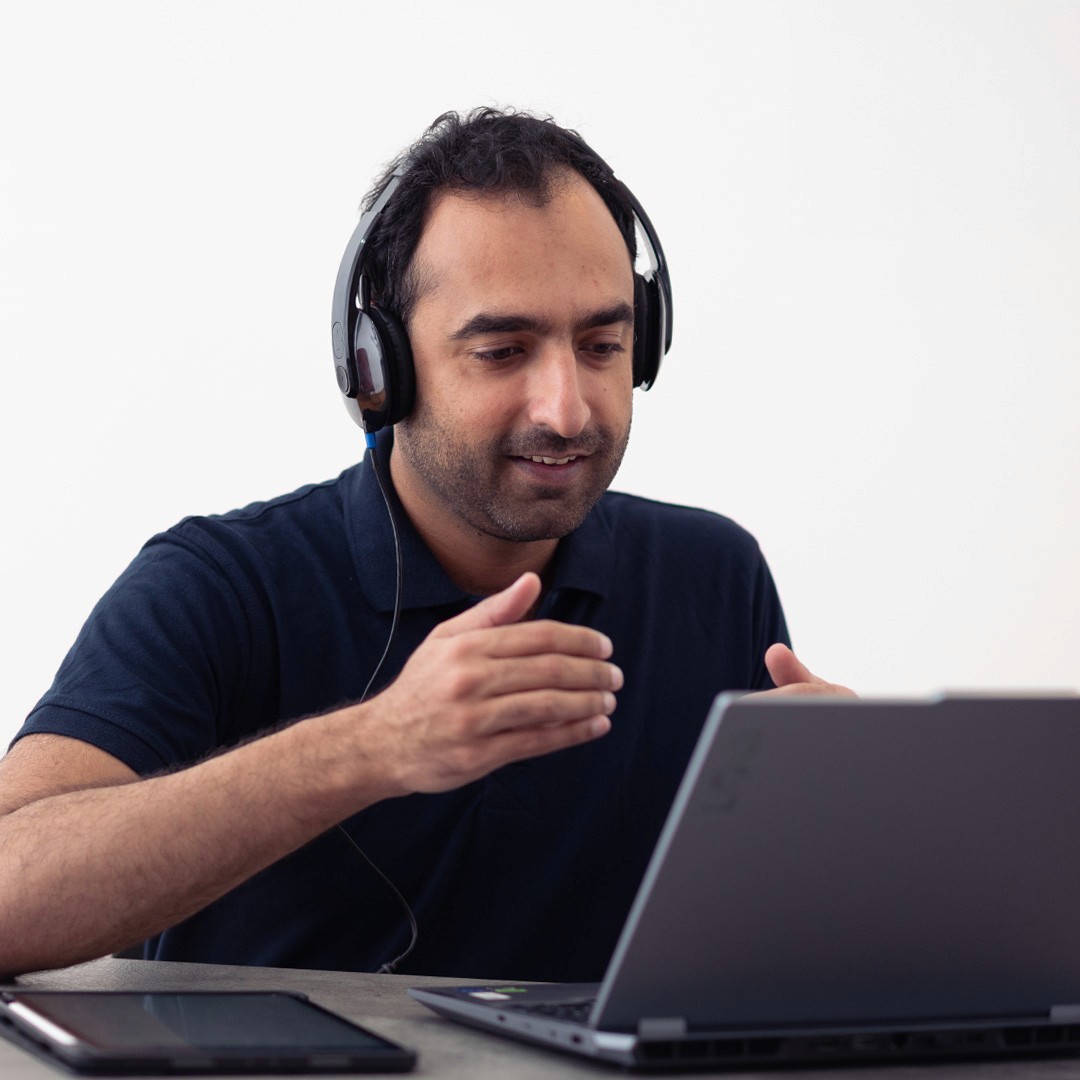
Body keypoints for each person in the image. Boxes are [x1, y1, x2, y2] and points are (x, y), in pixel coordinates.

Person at [0, 108, 849, 982]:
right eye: (501, 351)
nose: (567, 409)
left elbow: (768, 951)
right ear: (380, 369)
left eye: (601, 344)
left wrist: (855, 825)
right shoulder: (218, 585)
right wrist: (372, 748)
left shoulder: (712, 575)